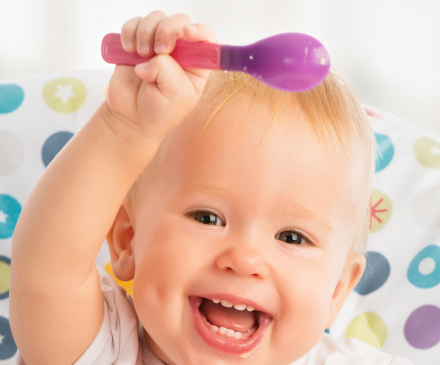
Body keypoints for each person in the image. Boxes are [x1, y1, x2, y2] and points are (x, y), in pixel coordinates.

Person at [9, 10, 413, 365]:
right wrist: (125, 129)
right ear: (128, 240)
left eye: (292, 237)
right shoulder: (107, 348)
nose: (244, 258)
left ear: (337, 290)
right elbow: (48, 273)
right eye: (207, 217)